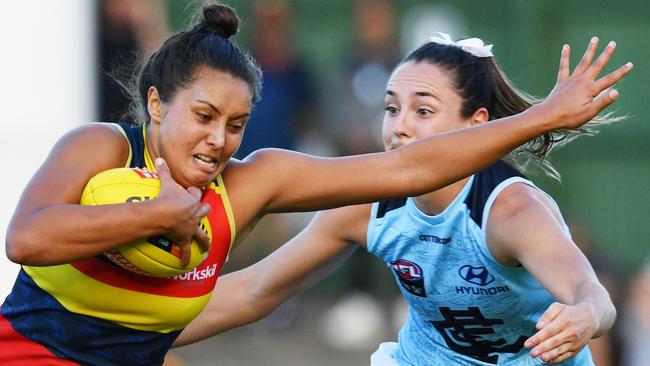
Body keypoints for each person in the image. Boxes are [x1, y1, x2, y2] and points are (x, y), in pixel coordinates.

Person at [0, 2, 630, 363]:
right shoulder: (101, 148)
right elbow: (26, 239)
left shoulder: (508, 209)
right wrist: (156, 218)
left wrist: (545, 115)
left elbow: (404, 171)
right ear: (157, 104)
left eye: (236, 124)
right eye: (204, 117)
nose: (219, 138)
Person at [172, 32, 631, 365]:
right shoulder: (367, 203)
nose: (399, 126)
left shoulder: (508, 210)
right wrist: (122, 332)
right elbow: (254, 291)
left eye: (423, 110)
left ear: (479, 123)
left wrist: (583, 317)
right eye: (392, 108)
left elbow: (593, 296)